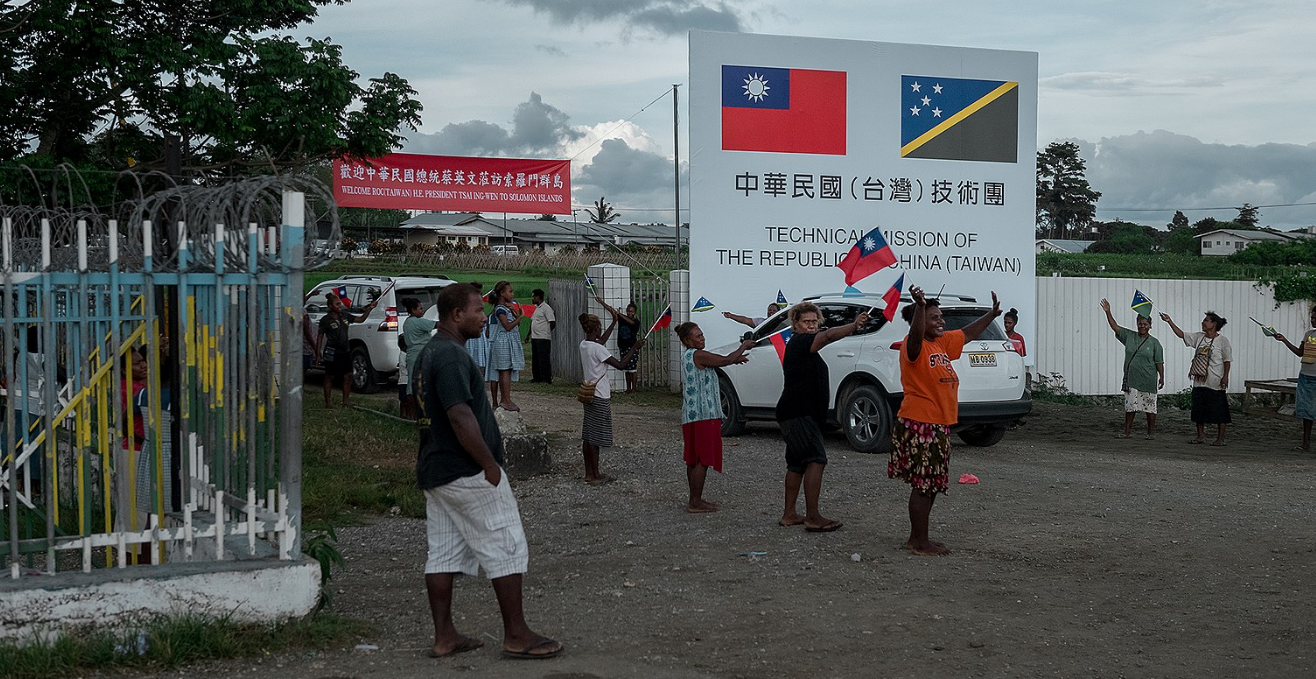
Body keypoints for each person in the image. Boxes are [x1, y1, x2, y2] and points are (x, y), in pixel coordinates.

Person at [412, 283, 562, 660]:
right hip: (466, 470)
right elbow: (459, 415)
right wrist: (489, 464)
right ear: (456, 315)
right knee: (505, 543)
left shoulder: (432, 353)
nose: (484, 316)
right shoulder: (449, 356)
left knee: (443, 553)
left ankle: (445, 636)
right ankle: (516, 633)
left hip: (437, 469)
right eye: (477, 310)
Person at [890, 286, 1002, 556]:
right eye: (934, 318)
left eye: (941, 317)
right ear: (920, 321)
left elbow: (968, 333)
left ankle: (919, 537)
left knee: (933, 484)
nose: (940, 321)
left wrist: (992, 314)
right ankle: (918, 542)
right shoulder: (913, 345)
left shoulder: (940, 343)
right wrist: (919, 306)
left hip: (938, 423)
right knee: (924, 485)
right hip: (921, 422)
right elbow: (916, 336)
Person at [776, 301, 870, 532]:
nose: (811, 326)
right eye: (806, 322)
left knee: (796, 464)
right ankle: (812, 516)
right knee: (816, 460)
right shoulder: (800, 342)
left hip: (796, 413)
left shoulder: (804, 346)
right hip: (798, 413)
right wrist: (853, 325)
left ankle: (789, 514)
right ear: (795, 325)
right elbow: (827, 336)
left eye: (814, 321)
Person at [675, 322, 754, 513]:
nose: (702, 338)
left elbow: (725, 360)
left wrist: (734, 358)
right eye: (698, 336)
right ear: (687, 340)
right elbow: (725, 360)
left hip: (691, 414)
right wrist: (743, 346)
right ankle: (695, 502)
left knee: (693, 458)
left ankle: (694, 498)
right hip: (705, 413)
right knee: (702, 458)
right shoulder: (699, 355)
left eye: (702, 335)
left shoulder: (688, 356)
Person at [577, 300, 645, 484]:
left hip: (588, 392)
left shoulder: (585, 345)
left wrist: (615, 322)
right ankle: (595, 474)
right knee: (596, 437)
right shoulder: (598, 349)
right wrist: (634, 348)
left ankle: (588, 473)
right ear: (596, 328)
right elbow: (622, 365)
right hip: (599, 394)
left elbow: (601, 341)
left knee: (588, 434)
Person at [1161, 311, 1232, 445]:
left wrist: (1225, 377)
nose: (1203, 323)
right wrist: (1169, 321)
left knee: (1220, 411)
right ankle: (1200, 436)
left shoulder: (1222, 341)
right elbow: (1181, 334)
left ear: (1214, 324)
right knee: (1199, 410)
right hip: (1200, 381)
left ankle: (1220, 438)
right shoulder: (1199, 337)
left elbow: (1227, 360)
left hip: (1215, 381)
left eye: (1206, 321)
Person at [1100, 299, 1165, 439]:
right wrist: (1108, 312)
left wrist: (1162, 377)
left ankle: (1151, 433)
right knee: (1130, 407)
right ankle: (1127, 432)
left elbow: (1159, 362)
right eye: (1140, 323)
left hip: (1148, 379)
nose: (1142, 326)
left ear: (1150, 326)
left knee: (1150, 407)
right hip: (1131, 379)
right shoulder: (1129, 336)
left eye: (1145, 324)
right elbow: (1115, 327)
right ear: (1137, 324)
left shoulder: (1155, 343)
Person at [317, 291, 378, 408]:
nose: (340, 306)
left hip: (345, 351)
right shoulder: (325, 320)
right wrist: (318, 352)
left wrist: (369, 308)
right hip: (332, 351)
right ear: (330, 306)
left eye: (340, 304)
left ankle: (345, 401)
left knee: (348, 376)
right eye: (337, 305)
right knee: (330, 376)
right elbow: (320, 336)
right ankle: (328, 403)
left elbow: (361, 320)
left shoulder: (345, 315)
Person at [1270, 305, 1316, 450]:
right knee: (1306, 411)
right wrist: (1284, 340)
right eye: (1312, 317)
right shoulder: (1309, 334)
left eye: (1315, 318)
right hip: (1306, 376)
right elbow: (1299, 352)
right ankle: (1305, 443)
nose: (1313, 320)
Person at [484, 281, 525, 412]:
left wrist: (515, 314)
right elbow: (507, 326)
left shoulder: (507, 308)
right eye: (510, 291)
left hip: (506, 342)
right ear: (502, 293)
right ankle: (505, 400)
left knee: (506, 370)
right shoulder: (500, 309)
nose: (512, 294)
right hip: (503, 342)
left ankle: (505, 399)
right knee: (504, 371)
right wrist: (521, 318)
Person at [402, 296, 437, 418]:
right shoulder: (417, 322)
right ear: (413, 310)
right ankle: (416, 413)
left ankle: (413, 414)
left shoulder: (407, 322)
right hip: (418, 355)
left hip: (412, 355)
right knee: (416, 386)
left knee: (412, 384)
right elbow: (436, 325)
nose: (422, 311)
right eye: (420, 308)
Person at [528, 289, 556, 384]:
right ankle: (537, 377)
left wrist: (546, 331)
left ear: (538, 297)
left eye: (534, 296)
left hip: (543, 337)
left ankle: (546, 378)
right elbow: (532, 321)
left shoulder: (546, 308)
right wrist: (528, 334)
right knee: (536, 358)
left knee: (543, 358)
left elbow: (552, 322)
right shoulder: (536, 308)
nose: (532, 298)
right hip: (535, 337)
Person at [463, 282, 491, 375]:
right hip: (472, 338)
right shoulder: (466, 306)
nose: (481, 295)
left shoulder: (479, 306)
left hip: (480, 337)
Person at [616, 302, 640, 393]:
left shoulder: (636, 322)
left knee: (632, 369)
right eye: (628, 311)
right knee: (626, 368)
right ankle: (628, 388)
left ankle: (634, 388)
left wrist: (619, 314)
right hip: (623, 346)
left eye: (632, 311)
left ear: (635, 312)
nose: (630, 313)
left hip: (632, 347)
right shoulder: (622, 319)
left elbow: (631, 322)